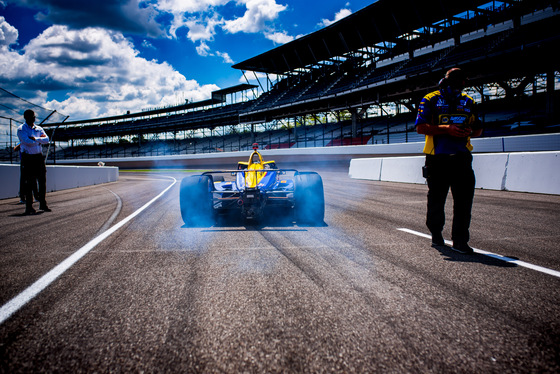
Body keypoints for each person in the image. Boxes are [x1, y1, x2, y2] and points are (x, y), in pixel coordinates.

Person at [415, 68, 483, 254]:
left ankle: (460, 241)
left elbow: (478, 130)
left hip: (462, 159)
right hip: (437, 159)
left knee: (464, 201)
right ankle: (436, 233)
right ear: (444, 82)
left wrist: (469, 131)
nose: (458, 88)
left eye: (461, 84)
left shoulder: (468, 101)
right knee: (436, 199)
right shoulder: (430, 99)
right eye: (454, 84)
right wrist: (447, 129)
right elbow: (420, 127)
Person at [17, 109, 51, 215]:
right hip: (28, 158)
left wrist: (35, 138)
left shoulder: (39, 128)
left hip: (38, 157)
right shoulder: (21, 129)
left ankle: (43, 203)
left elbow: (47, 140)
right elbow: (27, 142)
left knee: (42, 181)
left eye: (34, 116)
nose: (33, 118)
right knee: (29, 183)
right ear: (26, 117)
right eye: (31, 116)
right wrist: (39, 140)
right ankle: (29, 206)